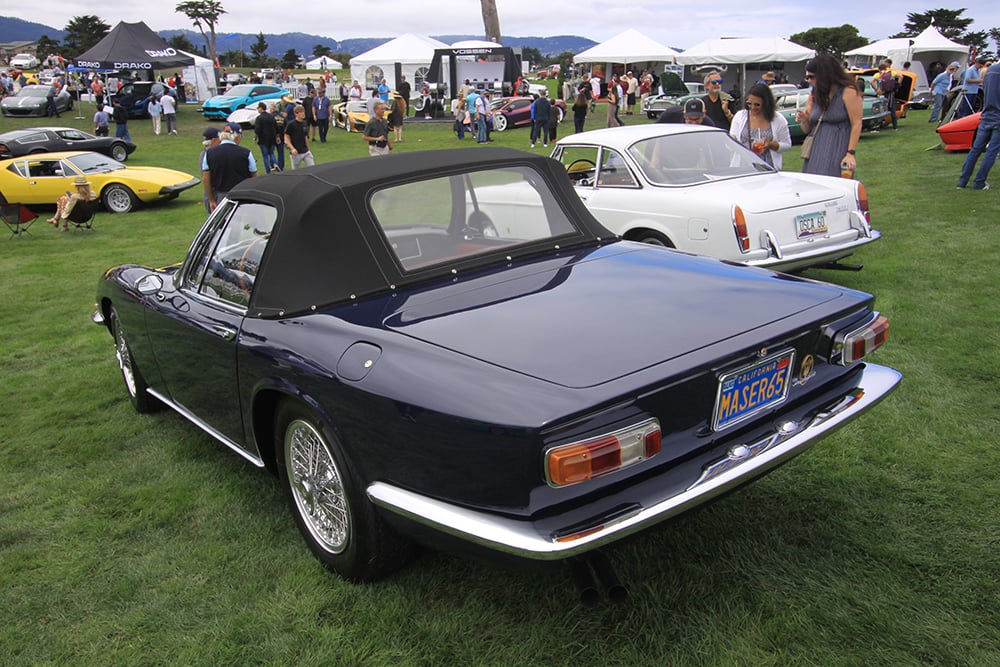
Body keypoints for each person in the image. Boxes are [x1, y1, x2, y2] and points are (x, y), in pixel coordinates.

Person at [796, 54, 863, 178]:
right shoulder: (815, 93)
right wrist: (805, 119)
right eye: (807, 77)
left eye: (812, 77)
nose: (809, 80)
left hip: (838, 148)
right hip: (816, 150)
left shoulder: (849, 91)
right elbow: (806, 130)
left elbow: (857, 123)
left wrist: (850, 153)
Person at [957, 61, 1000, 190]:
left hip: (986, 115)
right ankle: (979, 181)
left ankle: (963, 181)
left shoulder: (990, 71)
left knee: (975, 150)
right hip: (998, 117)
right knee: (992, 151)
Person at [729, 83, 792, 169]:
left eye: (757, 104)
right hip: (743, 166)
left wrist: (771, 145)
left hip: (767, 166)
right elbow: (732, 141)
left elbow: (787, 145)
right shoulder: (740, 116)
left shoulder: (778, 119)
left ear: (766, 103)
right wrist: (732, 141)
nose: (752, 107)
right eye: (749, 103)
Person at [202, 125, 257, 211]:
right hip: (242, 195)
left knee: (223, 223)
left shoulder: (209, 154)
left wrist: (211, 200)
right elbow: (254, 177)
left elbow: (206, 179)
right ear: (237, 136)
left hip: (221, 196)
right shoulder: (246, 153)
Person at [283, 104, 315, 169]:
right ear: (296, 114)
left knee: (312, 168)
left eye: (304, 112)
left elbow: (305, 136)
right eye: (301, 112)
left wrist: (308, 149)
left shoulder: (304, 123)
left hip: (306, 152)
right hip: (296, 152)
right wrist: (292, 148)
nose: (303, 114)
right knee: (295, 171)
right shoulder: (291, 124)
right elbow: (286, 137)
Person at [253, 102, 279, 174]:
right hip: (272, 138)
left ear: (261, 108)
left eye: (258, 108)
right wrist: (277, 136)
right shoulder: (271, 116)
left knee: (265, 155)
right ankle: (275, 164)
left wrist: (255, 138)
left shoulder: (259, 118)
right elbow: (276, 127)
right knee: (271, 153)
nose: (258, 109)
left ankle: (268, 170)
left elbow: (257, 130)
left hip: (263, 139)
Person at [877, 62, 899, 130]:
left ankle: (878, 127)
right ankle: (895, 127)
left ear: (879, 69)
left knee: (881, 110)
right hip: (891, 93)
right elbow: (901, 76)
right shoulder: (892, 73)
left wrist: (876, 89)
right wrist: (897, 85)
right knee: (892, 110)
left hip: (882, 93)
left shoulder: (878, 74)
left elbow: (872, 82)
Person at [270, 102, 286, 172]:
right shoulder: (282, 117)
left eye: (270, 108)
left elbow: (271, 127)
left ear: (273, 109)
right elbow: (286, 127)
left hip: (273, 137)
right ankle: (281, 167)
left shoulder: (270, 117)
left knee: (271, 152)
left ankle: (274, 164)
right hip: (282, 136)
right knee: (281, 152)